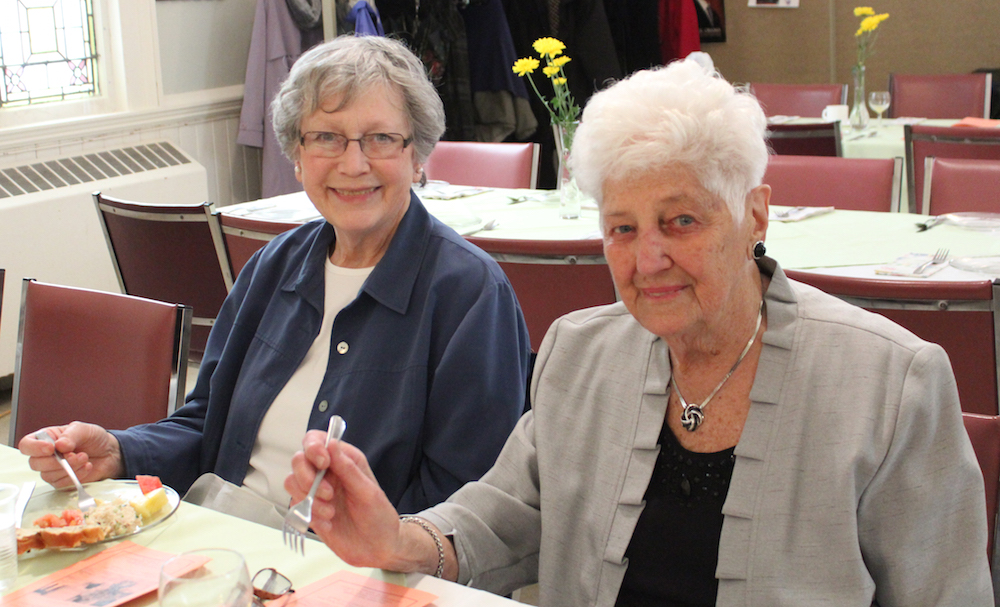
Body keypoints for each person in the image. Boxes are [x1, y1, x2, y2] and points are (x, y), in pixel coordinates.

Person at [285, 58, 994, 606]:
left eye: (681, 220)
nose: (647, 257)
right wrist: (398, 538)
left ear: (754, 214)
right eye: (622, 228)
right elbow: (504, 515)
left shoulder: (891, 383)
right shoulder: (578, 353)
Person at [20, 35, 531, 520]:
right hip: (228, 537)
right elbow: (207, 422)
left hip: (358, 574)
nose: (354, 164)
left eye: (380, 139)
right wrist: (120, 450)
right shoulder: (274, 266)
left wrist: (370, 547)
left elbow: (468, 498)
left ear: (417, 156)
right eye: (327, 138)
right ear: (297, 156)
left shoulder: (469, 295)